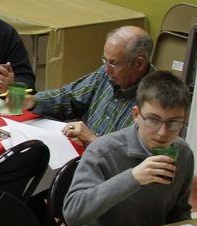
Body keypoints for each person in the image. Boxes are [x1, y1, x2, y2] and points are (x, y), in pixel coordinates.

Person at [64, 71, 193, 226]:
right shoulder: (103, 151)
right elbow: (73, 214)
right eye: (153, 120)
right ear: (136, 115)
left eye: (173, 122)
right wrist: (134, 178)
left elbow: (179, 212)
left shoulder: (183, 153)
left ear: (184, 119)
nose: (163, 132)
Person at [19, 26, 154, 147]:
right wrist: (33, 101)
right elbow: (70, 97)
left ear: (139, 64)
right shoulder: (105, 74)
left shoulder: (157, 101)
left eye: (113, 64)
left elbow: (135, 161)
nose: (107, 69)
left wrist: (93, 140)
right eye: (105, 60)